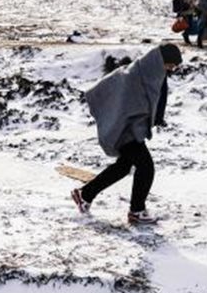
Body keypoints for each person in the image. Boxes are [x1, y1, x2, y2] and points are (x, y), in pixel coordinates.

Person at [71, 43, 182, 224]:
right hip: (125, 128)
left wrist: (154, 119)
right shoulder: (136, 74)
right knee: (146, 168)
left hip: (132, 128)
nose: (172, 69)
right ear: (161, 60)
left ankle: (85, 194)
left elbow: (154, 99)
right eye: (170, 64)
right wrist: (122, 118)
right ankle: (136, 211)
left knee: (123, 167)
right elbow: (119, 93)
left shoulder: (153, 74)